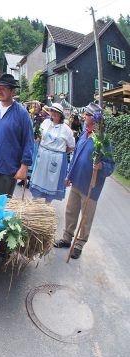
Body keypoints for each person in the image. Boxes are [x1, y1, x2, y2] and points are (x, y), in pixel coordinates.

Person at [53, 102, 114, 259]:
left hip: (91, 187)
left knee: (86, 217)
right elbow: (75, 157)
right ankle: (67, 238)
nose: (84, 116)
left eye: (87, 114)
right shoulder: (84, 134)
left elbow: (110, 165)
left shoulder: (102, 140)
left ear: (94, 118)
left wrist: (101, 165)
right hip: (77, 182)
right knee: (70, 211)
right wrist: (69, 175)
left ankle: (79, 244)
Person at [29, 103, 75, 202]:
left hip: (56, 158)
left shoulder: (66, 130)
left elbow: (71, 146)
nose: (53, 113)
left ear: (61, 115)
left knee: (51, 181)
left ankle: (47, 204)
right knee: (39, 178)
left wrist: (60, 153)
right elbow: (40, 137)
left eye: (56, 112)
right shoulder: (45, 123)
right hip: (43, 154)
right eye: (52, 111)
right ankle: (34, 202)